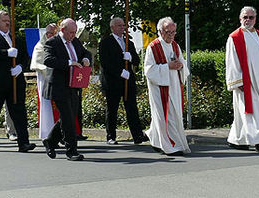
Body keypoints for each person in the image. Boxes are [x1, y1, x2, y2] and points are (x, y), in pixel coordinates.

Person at [0, 9, 35, 153]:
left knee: (19, 112)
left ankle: (24, 142)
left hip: (14, 81)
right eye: (4, 20)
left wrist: (21, 67)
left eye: (8, 20)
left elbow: (25, 57)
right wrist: (5, 53)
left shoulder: (16, 38)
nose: (8, 22)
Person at [225, 6, 259, 153]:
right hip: (245, 82)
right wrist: (237, 81)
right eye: (245, 17)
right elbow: (231, 60)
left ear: (255, 19)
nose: (248, 20)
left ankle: (238, 140)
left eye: (251, 17)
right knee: (250, 111)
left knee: (246, 111)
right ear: (240, 18)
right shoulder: (235, 37)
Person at [41, 18, 92, 161]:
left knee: (69, 116)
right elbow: (48, 60)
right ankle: (71, 151)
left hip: (73, 85)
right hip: (58, 85)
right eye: (70, 32)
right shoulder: (53, 42)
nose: (73, 35)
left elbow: (85, 53)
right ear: (62, 30)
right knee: (68, 119)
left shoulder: (75, 41)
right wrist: (70, 63)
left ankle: (50, 140)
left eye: (75, 32)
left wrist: (87, 59)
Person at [144, 16, 190, 155]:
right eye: (167, 32)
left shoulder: (175, 46)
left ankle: (155, 138)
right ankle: (170, 146)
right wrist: (167, 67)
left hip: (174, 86)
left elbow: (183, 64)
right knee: (164, 116)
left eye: (173, 32)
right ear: (160, 31)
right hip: (159, 87)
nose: (171, 35)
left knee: (174, 114)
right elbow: (149, 70)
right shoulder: (153, 47)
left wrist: (181, 66)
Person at [99, 16, 147, 146]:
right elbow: (105, 62)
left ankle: (137, 135)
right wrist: (120, 72)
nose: (122, 28)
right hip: (112, 81)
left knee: (132, 108)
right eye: (119, 25)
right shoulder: (105, 42)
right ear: (112, 27)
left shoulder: (128, 43)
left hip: (128, 82)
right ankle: (111, 136)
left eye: (123, 25)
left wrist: (130, 57)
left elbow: (137, 60)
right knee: (112, 109)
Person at [30, 23, 59, 145]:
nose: (50, 35)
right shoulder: (40, 46)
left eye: (53, 33)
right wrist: (47, 68)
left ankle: (58, 134)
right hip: (45, 78)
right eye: (48, 33)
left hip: (57, 79)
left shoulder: (58, 44)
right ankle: (47, 133)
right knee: (47, 106)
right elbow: (35, 63)